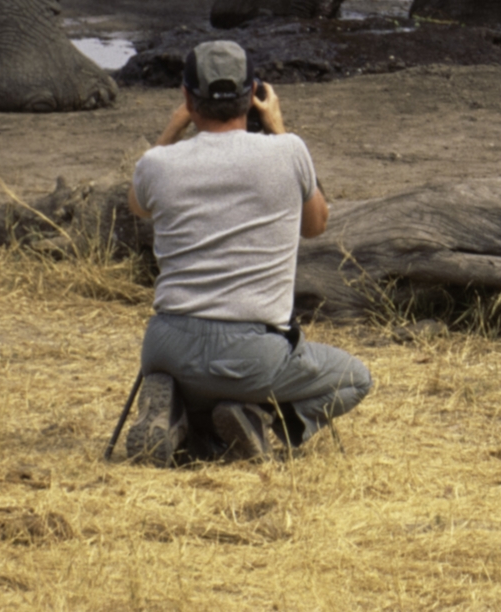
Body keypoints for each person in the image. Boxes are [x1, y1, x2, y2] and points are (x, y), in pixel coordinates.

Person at [121, 40, 370, 464]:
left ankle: (178, 415)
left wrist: (172, 130)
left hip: (165, 347)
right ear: (253, 93)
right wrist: (278, 126)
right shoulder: (289, 151)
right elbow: (317, 225)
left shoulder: (158, 164)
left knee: (204, 379)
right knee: (355, 379)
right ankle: (258, 421)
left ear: (186, 97)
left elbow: (137, 205)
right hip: (250, 355)